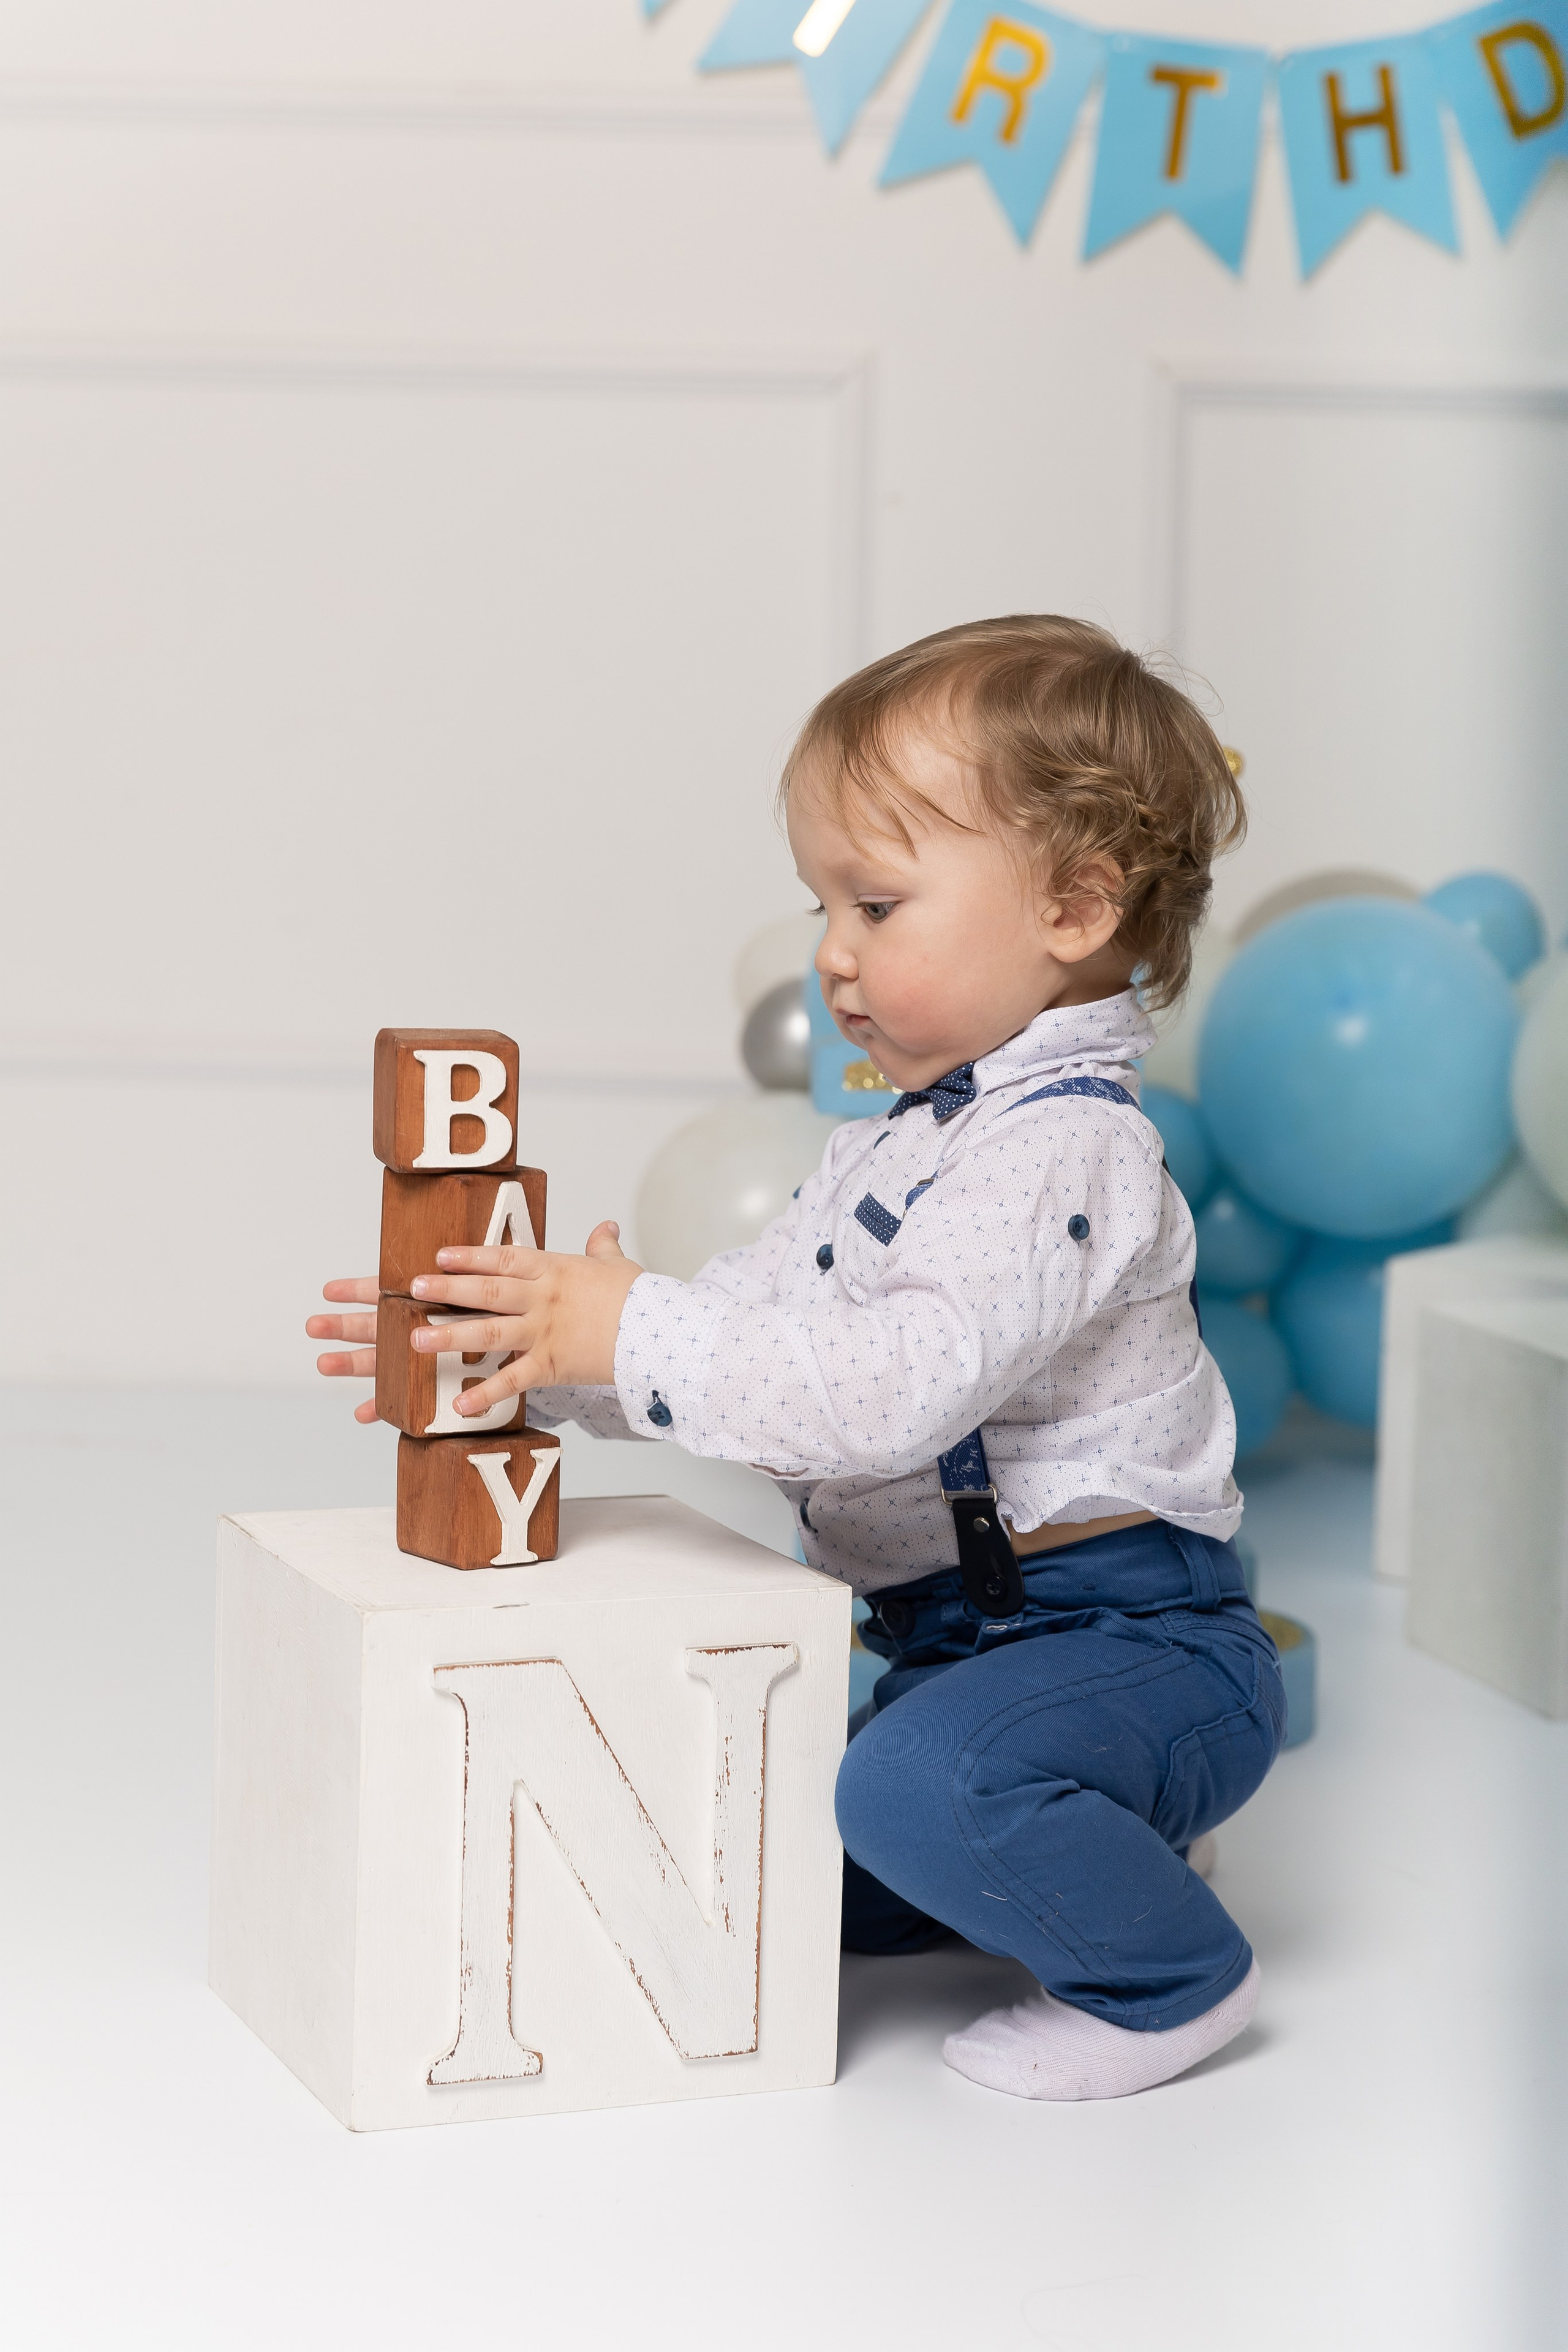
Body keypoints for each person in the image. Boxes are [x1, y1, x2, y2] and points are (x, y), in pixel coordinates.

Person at [311, 614, 1284, 2102]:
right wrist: (528, 1348)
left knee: (920, 1787)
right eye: (824, 906)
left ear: (1075, 906)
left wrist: (627, 1324)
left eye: (876, 905)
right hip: (961, 1650)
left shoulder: (1067, 1151)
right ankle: (1093, 1826)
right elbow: (759, 1347)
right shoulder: (889, 1157)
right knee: (797, 1855)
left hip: (1132, 1648)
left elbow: (886, 1396)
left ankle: (1170, 1979)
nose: (832, 956)